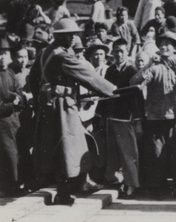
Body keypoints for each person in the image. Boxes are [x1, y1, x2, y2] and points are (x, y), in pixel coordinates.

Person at [29, 19, 115, 204]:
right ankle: (63, 193)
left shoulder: (46, 52)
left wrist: (40, 100)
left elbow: (32, 77)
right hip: (63, 109)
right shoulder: (62, 56)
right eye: (70, 34)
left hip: (50, 106)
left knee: (58, 149)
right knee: (68, 149)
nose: (73, 37)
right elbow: (87, 76)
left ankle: (65, 190)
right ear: (59, 36)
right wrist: (113, 91)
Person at [130, 32, 176, 196]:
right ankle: (158, 188)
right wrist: (149, 64)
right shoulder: (154, 68)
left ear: (175, 49)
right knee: (156, 154)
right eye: (162, 44)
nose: (165, 46)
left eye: (169, 44)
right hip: (155, 118)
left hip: (174, 118)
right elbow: (134, 81)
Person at [102, 38, 143, 199]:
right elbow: (104, 93)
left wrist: (138, 121)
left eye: (122, 51)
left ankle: (132, 184)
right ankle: (116, 180)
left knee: (128, 154)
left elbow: (137, 98)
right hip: (110, 116)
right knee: (113, 153)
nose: (119, 54)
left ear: (127, 52)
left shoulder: (132, 71)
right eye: (116, 51)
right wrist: (102, 115)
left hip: (126, 118)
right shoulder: (110, 70)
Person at [0, 39, 25, 196]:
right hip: (2, 123)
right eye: (0, 54)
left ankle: (15, 184)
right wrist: (11, 104)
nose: (2, 57)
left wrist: (19, 99)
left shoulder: (10, 73)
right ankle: (9, 188)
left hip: (14, 121)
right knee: (7, 155)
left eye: (5, 53)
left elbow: (19, 92)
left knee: (16, 153)